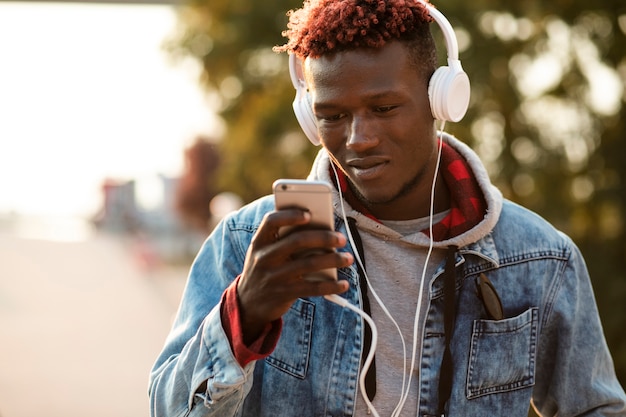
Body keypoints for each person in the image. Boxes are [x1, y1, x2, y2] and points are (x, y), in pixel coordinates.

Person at [148, 0, 626, 416]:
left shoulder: (541, 259)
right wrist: (244, 315)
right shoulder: (246, 241)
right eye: (332, 116)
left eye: (384, 108)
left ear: (441, 98)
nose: (359, 139)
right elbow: (167, 409)